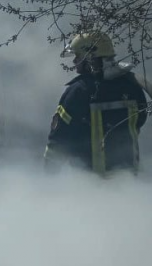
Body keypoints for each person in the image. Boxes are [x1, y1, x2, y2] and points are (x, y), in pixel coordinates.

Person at [44, 31, 148, 176]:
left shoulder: (79, 91)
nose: (74, 61)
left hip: (91, 185)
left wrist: (48, 176)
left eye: (78, 56)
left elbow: (59, 138)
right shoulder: (133, 87)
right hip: (128, 181)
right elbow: (140, 120)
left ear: (91, 58)